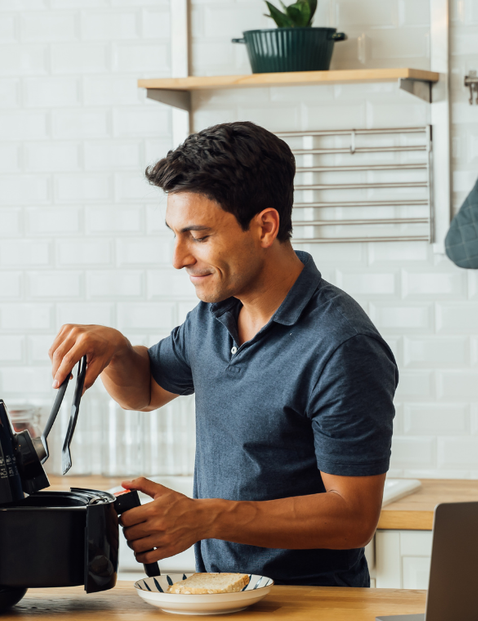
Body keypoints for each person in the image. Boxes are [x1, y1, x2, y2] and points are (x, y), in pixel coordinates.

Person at [48, 121, 397, 587]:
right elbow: (145, 391)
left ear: (265, 227)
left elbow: (353, 518)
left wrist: (206, 518)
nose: (178, 258)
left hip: (308, 608)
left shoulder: (341, 346)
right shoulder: (212, 316)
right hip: (219, 597)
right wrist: (115, 351)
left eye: (198, 235)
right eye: (174, 233)